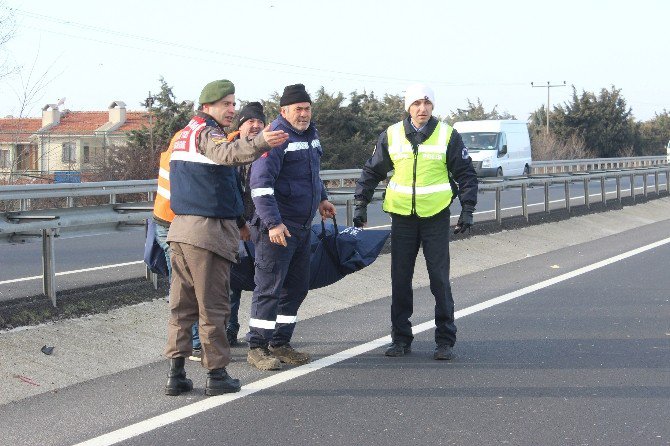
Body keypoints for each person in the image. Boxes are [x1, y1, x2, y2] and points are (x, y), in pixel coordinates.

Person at [164, 79, 288, 396]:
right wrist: (260, 142)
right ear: (207, 107)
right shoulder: (209, 133)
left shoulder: (182, 135)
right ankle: (216, 375)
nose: (231, 110)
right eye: (226, 104)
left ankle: (176, 375)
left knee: (182, 306)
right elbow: (227, 153)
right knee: (213, 307)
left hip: (179, 229)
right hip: (206, 234)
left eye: (233, 104)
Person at [353, 83, 478, 361]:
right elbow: (372, 170)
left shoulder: (447, 135)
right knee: (400, 280)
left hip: (435, 217)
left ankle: (444, 340)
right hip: (402, 219)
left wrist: (467, 209)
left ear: (432, 106)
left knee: (439, 281)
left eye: (427, 103)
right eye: (416, 104)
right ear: (408, 107)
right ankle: (400, 339)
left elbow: (466, 174)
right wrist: (361, 203)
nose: (422, 108)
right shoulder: (392, 135)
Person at [246, 83, 336, 371]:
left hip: (301, 227)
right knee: (269, 288)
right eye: (298, 109)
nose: (304, 114)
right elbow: (260, 186)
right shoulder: (274, 137)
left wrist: (322, 198)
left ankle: (280, 342)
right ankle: (257, 347)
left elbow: (311, 173)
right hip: (276, 230)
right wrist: (273, 223)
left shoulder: (311, 135)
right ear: (283, 111)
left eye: (307, 108)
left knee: (296, 288)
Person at [189, 101, 267, 355]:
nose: (255, 126)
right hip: (232, 226)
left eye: (259, 122)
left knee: (261, 281)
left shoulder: (268, 150)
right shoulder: (226, 148)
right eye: (250, 121)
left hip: (261, 226)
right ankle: (227, 332)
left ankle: (261, 333)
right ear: (241, 125)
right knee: (229, 284)